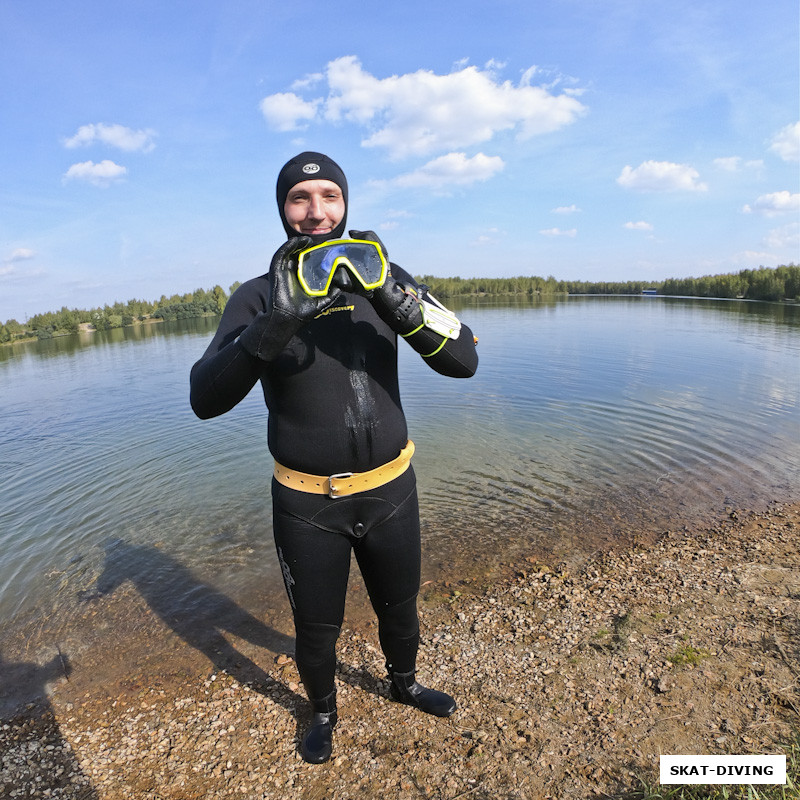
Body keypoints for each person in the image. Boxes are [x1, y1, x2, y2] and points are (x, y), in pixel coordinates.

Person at [190, 152, 478, 764]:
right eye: (300, 198)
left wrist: (398, 302)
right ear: (282, 209)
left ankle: (404, 683)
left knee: (399, 606)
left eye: (329, 195)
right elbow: (204, 399)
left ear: (346, 204)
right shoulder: (257, 296)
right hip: (306, 502)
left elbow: (464, 357)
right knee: (318, 630)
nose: (316, 211)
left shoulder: (385, 276)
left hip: (392, 489)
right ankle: (321, 710)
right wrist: (278, 322)